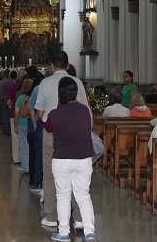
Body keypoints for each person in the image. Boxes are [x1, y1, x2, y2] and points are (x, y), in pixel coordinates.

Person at [35, 51, 90, 228]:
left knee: (50, 174)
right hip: (77, 133)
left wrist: (51, 123)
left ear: (52, 65)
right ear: (67, 65)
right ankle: (80, 218)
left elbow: (40, 112)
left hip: (52, 133)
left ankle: (52, 216)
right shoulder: (78, 83)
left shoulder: (45, 83)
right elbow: (85, 110)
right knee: (77, 175)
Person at [44, 77, 96, 242]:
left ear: (59, 94)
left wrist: (58, 106)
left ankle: (64, 233)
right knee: (83, 195)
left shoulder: (54, 113)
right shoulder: (85, 111)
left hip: (61, 159)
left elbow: (48, 127)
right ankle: (89, 232)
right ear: (77, 93)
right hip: (83, 158)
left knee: (63, 196)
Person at [14, 79, 34, 174]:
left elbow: (16, 113)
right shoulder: (33, 97)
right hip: (31, 123)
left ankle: (26, 167)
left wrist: (15, 124)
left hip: (22, 123)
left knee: (24, 145)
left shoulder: (20, 97)